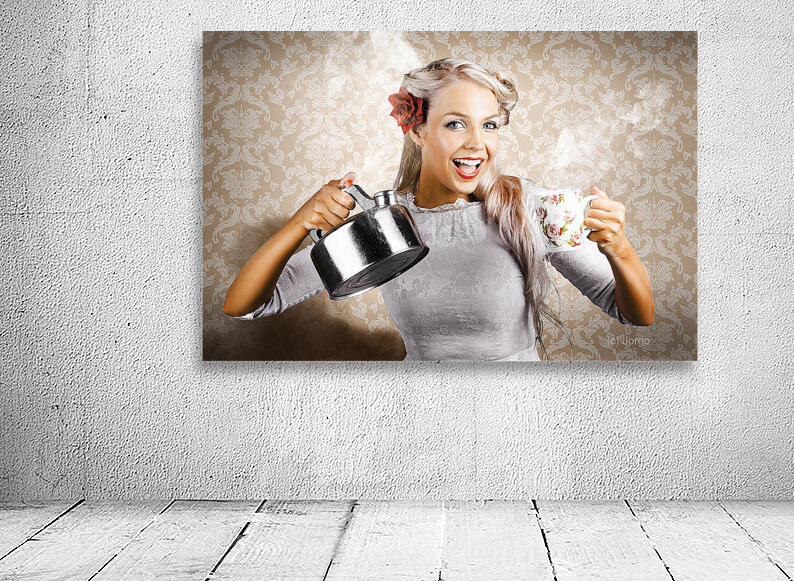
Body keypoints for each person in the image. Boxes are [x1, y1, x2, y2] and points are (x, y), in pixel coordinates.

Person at [223, 57, 654, 360]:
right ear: (417, 131)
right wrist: (299, 224)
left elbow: (635, 314)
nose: (476, 144)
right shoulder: (387, 227)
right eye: (454, 124)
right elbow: (246, 306)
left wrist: (620, 249)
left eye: (488, 125)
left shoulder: (527, 207)